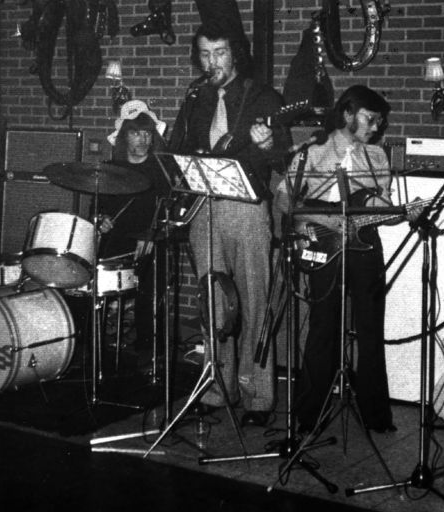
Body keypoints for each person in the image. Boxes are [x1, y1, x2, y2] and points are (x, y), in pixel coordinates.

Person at [168, 20, 291, 427]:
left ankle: (258, 396)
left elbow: (284, 158)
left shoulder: (263, 97)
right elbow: (180, 150)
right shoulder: (196, 98)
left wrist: (269, 144)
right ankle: (218, 388)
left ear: (235, 54)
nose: (212, 62)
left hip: (247, 209)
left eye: (219, 53)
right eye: (205, 54)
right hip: (204, 206)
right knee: (213, 302)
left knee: (254, 300)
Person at [274, 85, 398, 435]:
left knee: (370, 327)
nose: (376, 126)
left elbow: (383, 207)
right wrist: (314, 223)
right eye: (370, 118)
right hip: (322, 243)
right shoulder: (312, 152)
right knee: (322, 327)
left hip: (365, 244)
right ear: (347, 113)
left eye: (380, 121)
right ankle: (310, 413)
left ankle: (376, 414)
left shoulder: (377, 156)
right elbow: (284, 199)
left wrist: (398, 212)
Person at [97, 100, 171, 354]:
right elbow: (99, 207)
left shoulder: (161, 169)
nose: (143, 140)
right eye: (136, 133)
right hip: (118, 241)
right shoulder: (111, 169)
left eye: (147, 133)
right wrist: (102, 219)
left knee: (149, 293)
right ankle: (98, 343)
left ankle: (147, 351)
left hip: (150, 240)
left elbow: (168, 209)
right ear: (124, 137)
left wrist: (151, 234)